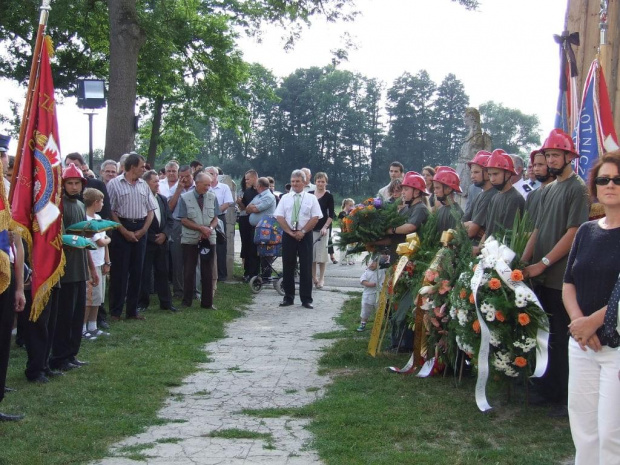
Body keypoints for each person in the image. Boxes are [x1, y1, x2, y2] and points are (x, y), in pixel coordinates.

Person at [523, 128, 590, 415]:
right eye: (547, 155)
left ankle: (564, 397)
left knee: (562, 340)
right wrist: (522, 260)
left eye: (554, 155)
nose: (550, 160)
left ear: (568, 156)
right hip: (541, 275)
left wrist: (544, 263)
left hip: (561, 277)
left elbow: (574, 232)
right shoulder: (549, 190)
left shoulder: (578, 189)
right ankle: (547, 389)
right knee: (546, 335)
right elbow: (537, 230)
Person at [562, 151, 620, 464]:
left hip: (616, 345)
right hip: (582, 344)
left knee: (613, 432)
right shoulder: (586, 231)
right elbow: (569, 283)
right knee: (583, 428)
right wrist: (578, 323)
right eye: (603, 179)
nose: (609, 184)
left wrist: (593, 323)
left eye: (617, 179)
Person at [50, 164, 98, 371]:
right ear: (63, 185)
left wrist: (92, 268)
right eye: (69, 183)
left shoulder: (80, 205)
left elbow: (84, 240)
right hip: (66, 271)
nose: (73, 186)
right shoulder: (59, 205)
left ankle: (71, 354)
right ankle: (59, 357)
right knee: (65, 316)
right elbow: (59, 238)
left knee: (77, 314)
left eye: (76, 182)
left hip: (80, 269)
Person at [107, 153, 155, 321]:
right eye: (142, 166)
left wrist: (143, 231)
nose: (144, 169)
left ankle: (132, 311)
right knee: (119, 272)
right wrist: (123, 231)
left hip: (141, 228)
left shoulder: (144, 185)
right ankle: (116, 311)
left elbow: (151, 210)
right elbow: (111, 210)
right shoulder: (114, 184)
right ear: (132, 167)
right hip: (122, 228)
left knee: (137, 271)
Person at [274, 169, 322, 309]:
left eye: (297, 181)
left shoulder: (311, 198)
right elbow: (280, 217)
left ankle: (306, 299)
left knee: (306, 267)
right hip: (289, 235)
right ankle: (288, 297)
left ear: (304, 182)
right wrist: (289, 231)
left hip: (305, 235)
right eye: (292, 181)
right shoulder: (285, 198)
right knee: (288, 266)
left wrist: (303, 231)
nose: (294, 184)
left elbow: (315, 217)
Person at [178, 172, 220, 309]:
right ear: (197, 183)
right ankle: (187, 301)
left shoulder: (212, 197)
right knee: (189, 270)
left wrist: (209, 229)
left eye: (210, 184)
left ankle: (207, 303)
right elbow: (183, 219)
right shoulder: (184, 198)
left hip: (208, 238)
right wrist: (200, 228)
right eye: (206, 184)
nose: (208, 187)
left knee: (208, 270)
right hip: (190, 239)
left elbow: (216, 217)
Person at [138, 170, 175, 312]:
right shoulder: (141, 199)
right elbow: (140, 221)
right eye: (155, 181)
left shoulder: (162, 199)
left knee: (163, 272)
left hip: (162, 242)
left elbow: (170, 220)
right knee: (145, 273)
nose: (158, 184)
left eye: (158, 181)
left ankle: (166, 303)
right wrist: (153, 237)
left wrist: (165, 234)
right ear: (146, 183)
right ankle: (142, 303)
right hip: (147, 242)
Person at [82, 188, 111, 340]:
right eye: (101, 201)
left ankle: (93, 325)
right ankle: (83, 328)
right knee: (89, 298)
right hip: (90, 262)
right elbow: (101, 241)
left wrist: (107, 261)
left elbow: (104, 244)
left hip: (100, 262)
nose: (103, 204)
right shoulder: (87, 220)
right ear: (95, 202)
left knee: (98, 297)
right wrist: (109, 239)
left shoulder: (98, 217)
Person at [478, 149, 525, 244]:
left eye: (495, 174)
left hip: (503, 253)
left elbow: (508, 236)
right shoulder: (495, 197)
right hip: (488, 252)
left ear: (508, 174)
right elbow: (488, 230)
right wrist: (480, 248)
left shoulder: (515, 199)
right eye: (490, 175)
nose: (492, 179)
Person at [205, 166, 234, 282]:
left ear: (217, 175)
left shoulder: (223, 187)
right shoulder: (204, 187)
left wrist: (214, 213)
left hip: (220, 217)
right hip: (205, 218)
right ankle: (207, 273)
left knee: (221, 246)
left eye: (213, 173)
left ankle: (222, 274)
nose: (211, 175)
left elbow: (227, 203)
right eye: (208, 173)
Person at [462, 151, 497, 243]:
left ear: (487, 172)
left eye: (476, 172)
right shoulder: (479, 195)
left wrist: (470, 225)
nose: (472, 176)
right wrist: (469, 224)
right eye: (471, 172)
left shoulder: (491, 195)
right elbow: (460, 223)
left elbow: (471, 232)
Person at [246, 177, 276, 279]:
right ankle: (254, 274)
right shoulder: (259, 196)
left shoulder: (269, 197)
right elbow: (248, 208)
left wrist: (253, 207)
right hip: (255, 228)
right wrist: (252, 207)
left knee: (265, 253)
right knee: (253, 251)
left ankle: (266, 275)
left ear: (259, 186)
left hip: (264, 229)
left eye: (256, 185)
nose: (255, 187)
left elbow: (257, 209)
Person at [308, 172, 334, 289]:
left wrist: (325, 227)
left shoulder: (329, 196)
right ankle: (314, 278)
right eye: (318, 181)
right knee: (312, 256)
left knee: (322, 256)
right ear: (315, 182)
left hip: (322, 229)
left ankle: (322, 278)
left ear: (326, 183)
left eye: (323, 181)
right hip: (310, 228)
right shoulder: (309, 194)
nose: (320, 183)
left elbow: (331, 214)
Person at [236, 170, 259, 281]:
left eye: (248, 179)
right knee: (245, 244)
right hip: (245, 220)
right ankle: (247, 272)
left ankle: (255, 272)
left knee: (254, 246)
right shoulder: (247, 191)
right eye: (245, 179)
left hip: (256, 222)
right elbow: (243, 208)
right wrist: (239, 202)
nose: (246, 181)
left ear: (255, 178)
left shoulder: (261, 191)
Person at [525, 149, 555, 225]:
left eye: (540, 165)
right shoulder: (531, 195)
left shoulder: (558, 192)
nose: (536, 169)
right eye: (534, 165)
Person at [432, 167, 463, 233]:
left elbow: (453, 239)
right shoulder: (440, 209)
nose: (435, 191)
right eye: (434, 188)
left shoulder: (456, 213)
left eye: (437, 188)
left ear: (449, 188)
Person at [356, 259, 385, 332]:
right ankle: (363, 323)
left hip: (379, 295)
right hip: (368, 296)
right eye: (369, 262)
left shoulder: (381, 271)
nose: (371, 264)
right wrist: (370, 284)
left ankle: (378, 324)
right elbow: (363, 281)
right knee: (365, 311)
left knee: (379, 310)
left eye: (374, 262)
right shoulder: (366, 273)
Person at [338, 198, 356, 265]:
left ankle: (351, 259)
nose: (351, 207)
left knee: (352, 247)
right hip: (344, 232)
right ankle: (343, 260)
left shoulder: (352, 213)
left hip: (351, 232)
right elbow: (340, 223)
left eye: (352, 205)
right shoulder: (342, 213)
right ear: (346, 205)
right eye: (350, 205)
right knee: (343, 247)